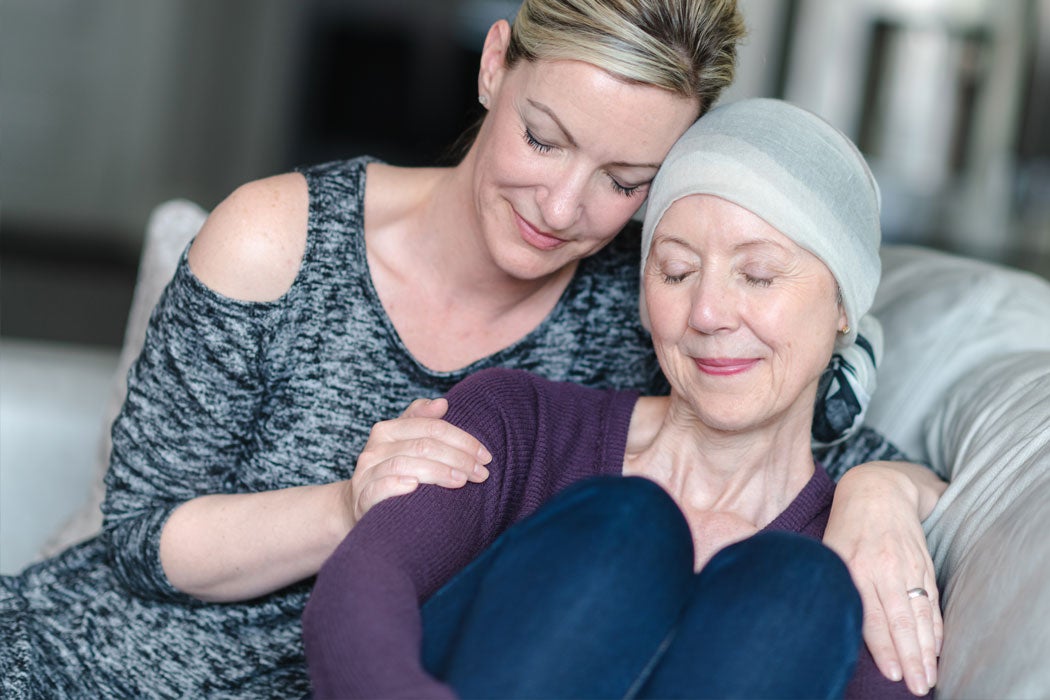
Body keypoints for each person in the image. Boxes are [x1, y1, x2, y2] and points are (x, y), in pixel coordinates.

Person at [0, 1, 932, 697]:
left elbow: (780, 422)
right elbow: (137, 539)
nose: (563, 208)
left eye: (623, 180)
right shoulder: (280, 239)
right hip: (79, 666)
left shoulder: (643, 305)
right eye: (543, 137)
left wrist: (882, 491)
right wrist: (347, 506)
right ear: (494, 67)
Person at [302, 97, 948, 699]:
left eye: (757, 275)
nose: (708, 312)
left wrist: (885, 487)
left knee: (800, 585)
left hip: (804, 586)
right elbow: (359, 592)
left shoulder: (861, 540)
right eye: (676, 271)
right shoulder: (521, 424)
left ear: (843, 305)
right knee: (625, 525)